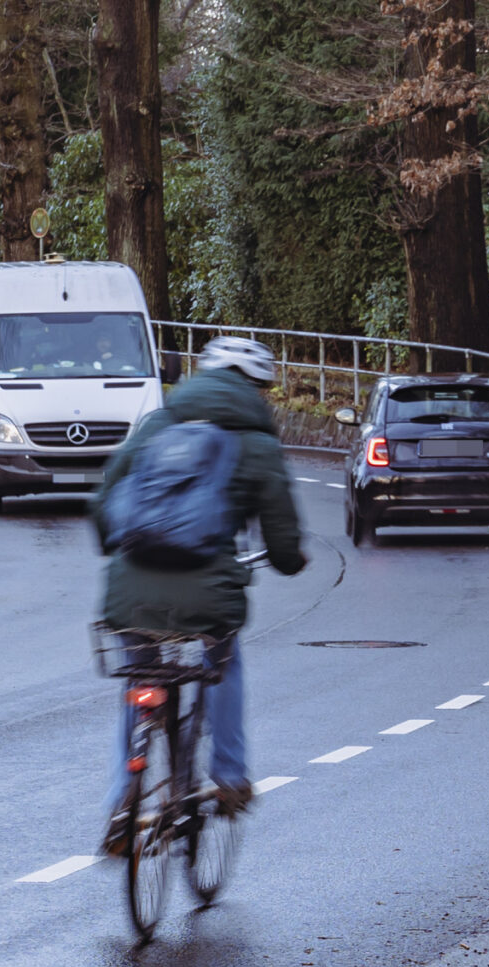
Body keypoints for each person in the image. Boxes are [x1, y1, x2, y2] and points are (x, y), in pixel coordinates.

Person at [94, 335, 307, 855]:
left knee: (141, 676)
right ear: (255, 389)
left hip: (128, 591)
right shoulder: (256, 445)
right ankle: (230, 775)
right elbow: (282, 540)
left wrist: (116, 547)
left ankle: (127, 796)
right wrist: (289, 560)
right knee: (223, 659)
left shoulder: (156, 426)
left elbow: (105, 501)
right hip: (207, 596)